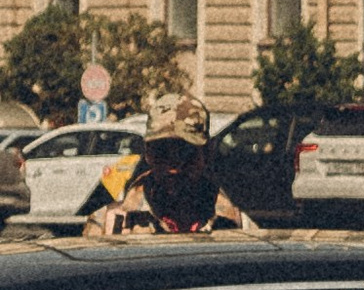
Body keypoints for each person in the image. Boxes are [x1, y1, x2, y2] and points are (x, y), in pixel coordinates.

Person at [81, 92, 247, 238]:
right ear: (147, 154)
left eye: (185, 152)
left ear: (207, 153)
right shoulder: (109, 226)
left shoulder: (237, 225)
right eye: (162, 152)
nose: (173, 166)